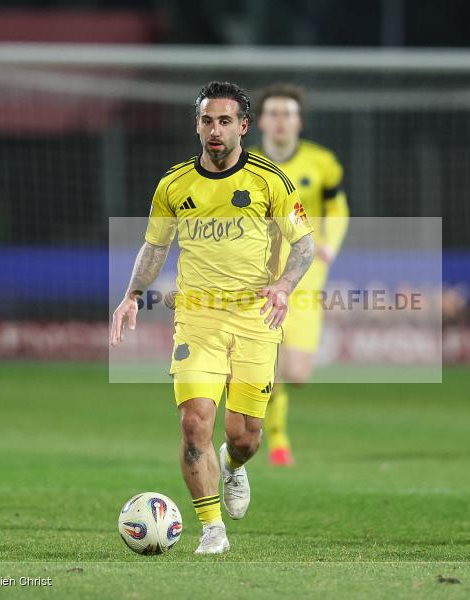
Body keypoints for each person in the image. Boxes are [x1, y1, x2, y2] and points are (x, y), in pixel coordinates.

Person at [109, 81, 314, 554]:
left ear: (243, 126)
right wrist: (132, 294)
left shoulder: (270, 181)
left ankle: (234, 466)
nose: (215, 130)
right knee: (194, 422)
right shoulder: (174, 185)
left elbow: (303, 244)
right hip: (197, 317)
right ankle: (212, 529)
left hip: (254, 318)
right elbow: (155, 246)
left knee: (244, 437)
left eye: (225, 121)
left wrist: (283, 286)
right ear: (197, 126)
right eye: (207, 121)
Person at [251, 83, 349, 466]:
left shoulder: (321, 162)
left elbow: (337, 209)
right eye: (273, 113)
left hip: (307, 277)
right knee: (270, 365)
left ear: (299, 122)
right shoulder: (247, 166)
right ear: (259, 122)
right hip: (263, 276)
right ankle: (277, 440)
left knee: (298, 373)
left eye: (288, 114)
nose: (281, 121)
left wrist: (330, 245)